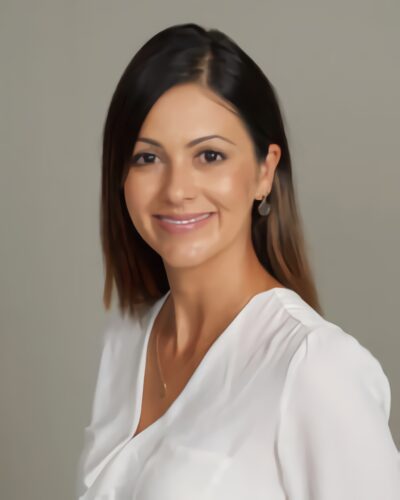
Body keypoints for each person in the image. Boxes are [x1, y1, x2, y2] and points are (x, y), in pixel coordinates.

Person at [75, 23, 400, 499]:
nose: (177, 190)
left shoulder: (314, 369)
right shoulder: (126, 341)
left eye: (209, 155)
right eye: (148, 158)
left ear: (264, 171)